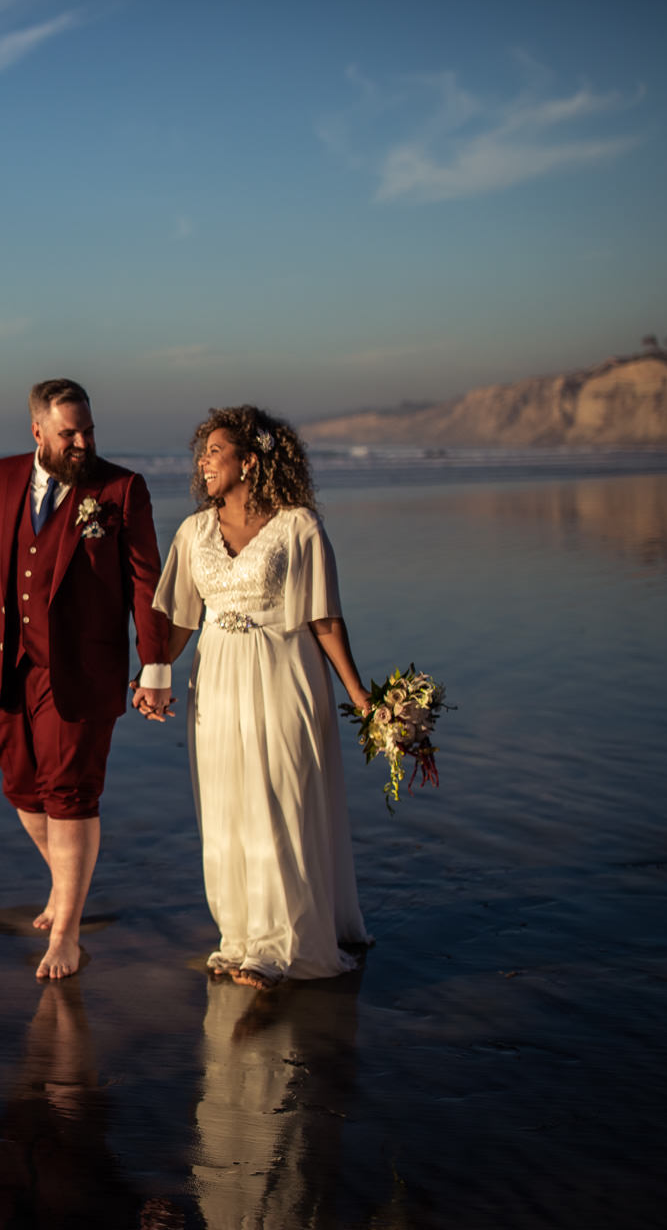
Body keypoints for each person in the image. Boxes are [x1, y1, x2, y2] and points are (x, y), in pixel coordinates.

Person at [0, 379, 171, 980]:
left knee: (69, 791)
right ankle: (67, 882)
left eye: (88, 431)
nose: (82, 442)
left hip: (82, 669)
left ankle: (66, 931)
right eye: (69, 432)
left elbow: (147, 585)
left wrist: (155, 667)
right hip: (7, 659)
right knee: (21, 784)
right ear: (37, 431)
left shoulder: (120, 489)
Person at [144, 406, 372, 988]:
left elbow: (324, 618)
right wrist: (151, 674)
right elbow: (178, 626)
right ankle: (242, 937)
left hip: (285, 676)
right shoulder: (193, 533)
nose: (203, 462)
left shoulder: (299, 527)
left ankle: (283, 944)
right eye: (202, 453)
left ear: (250, 459)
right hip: (215, 680)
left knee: (282, 798)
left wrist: (362, 699)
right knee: (227, 805)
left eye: (215, 451)